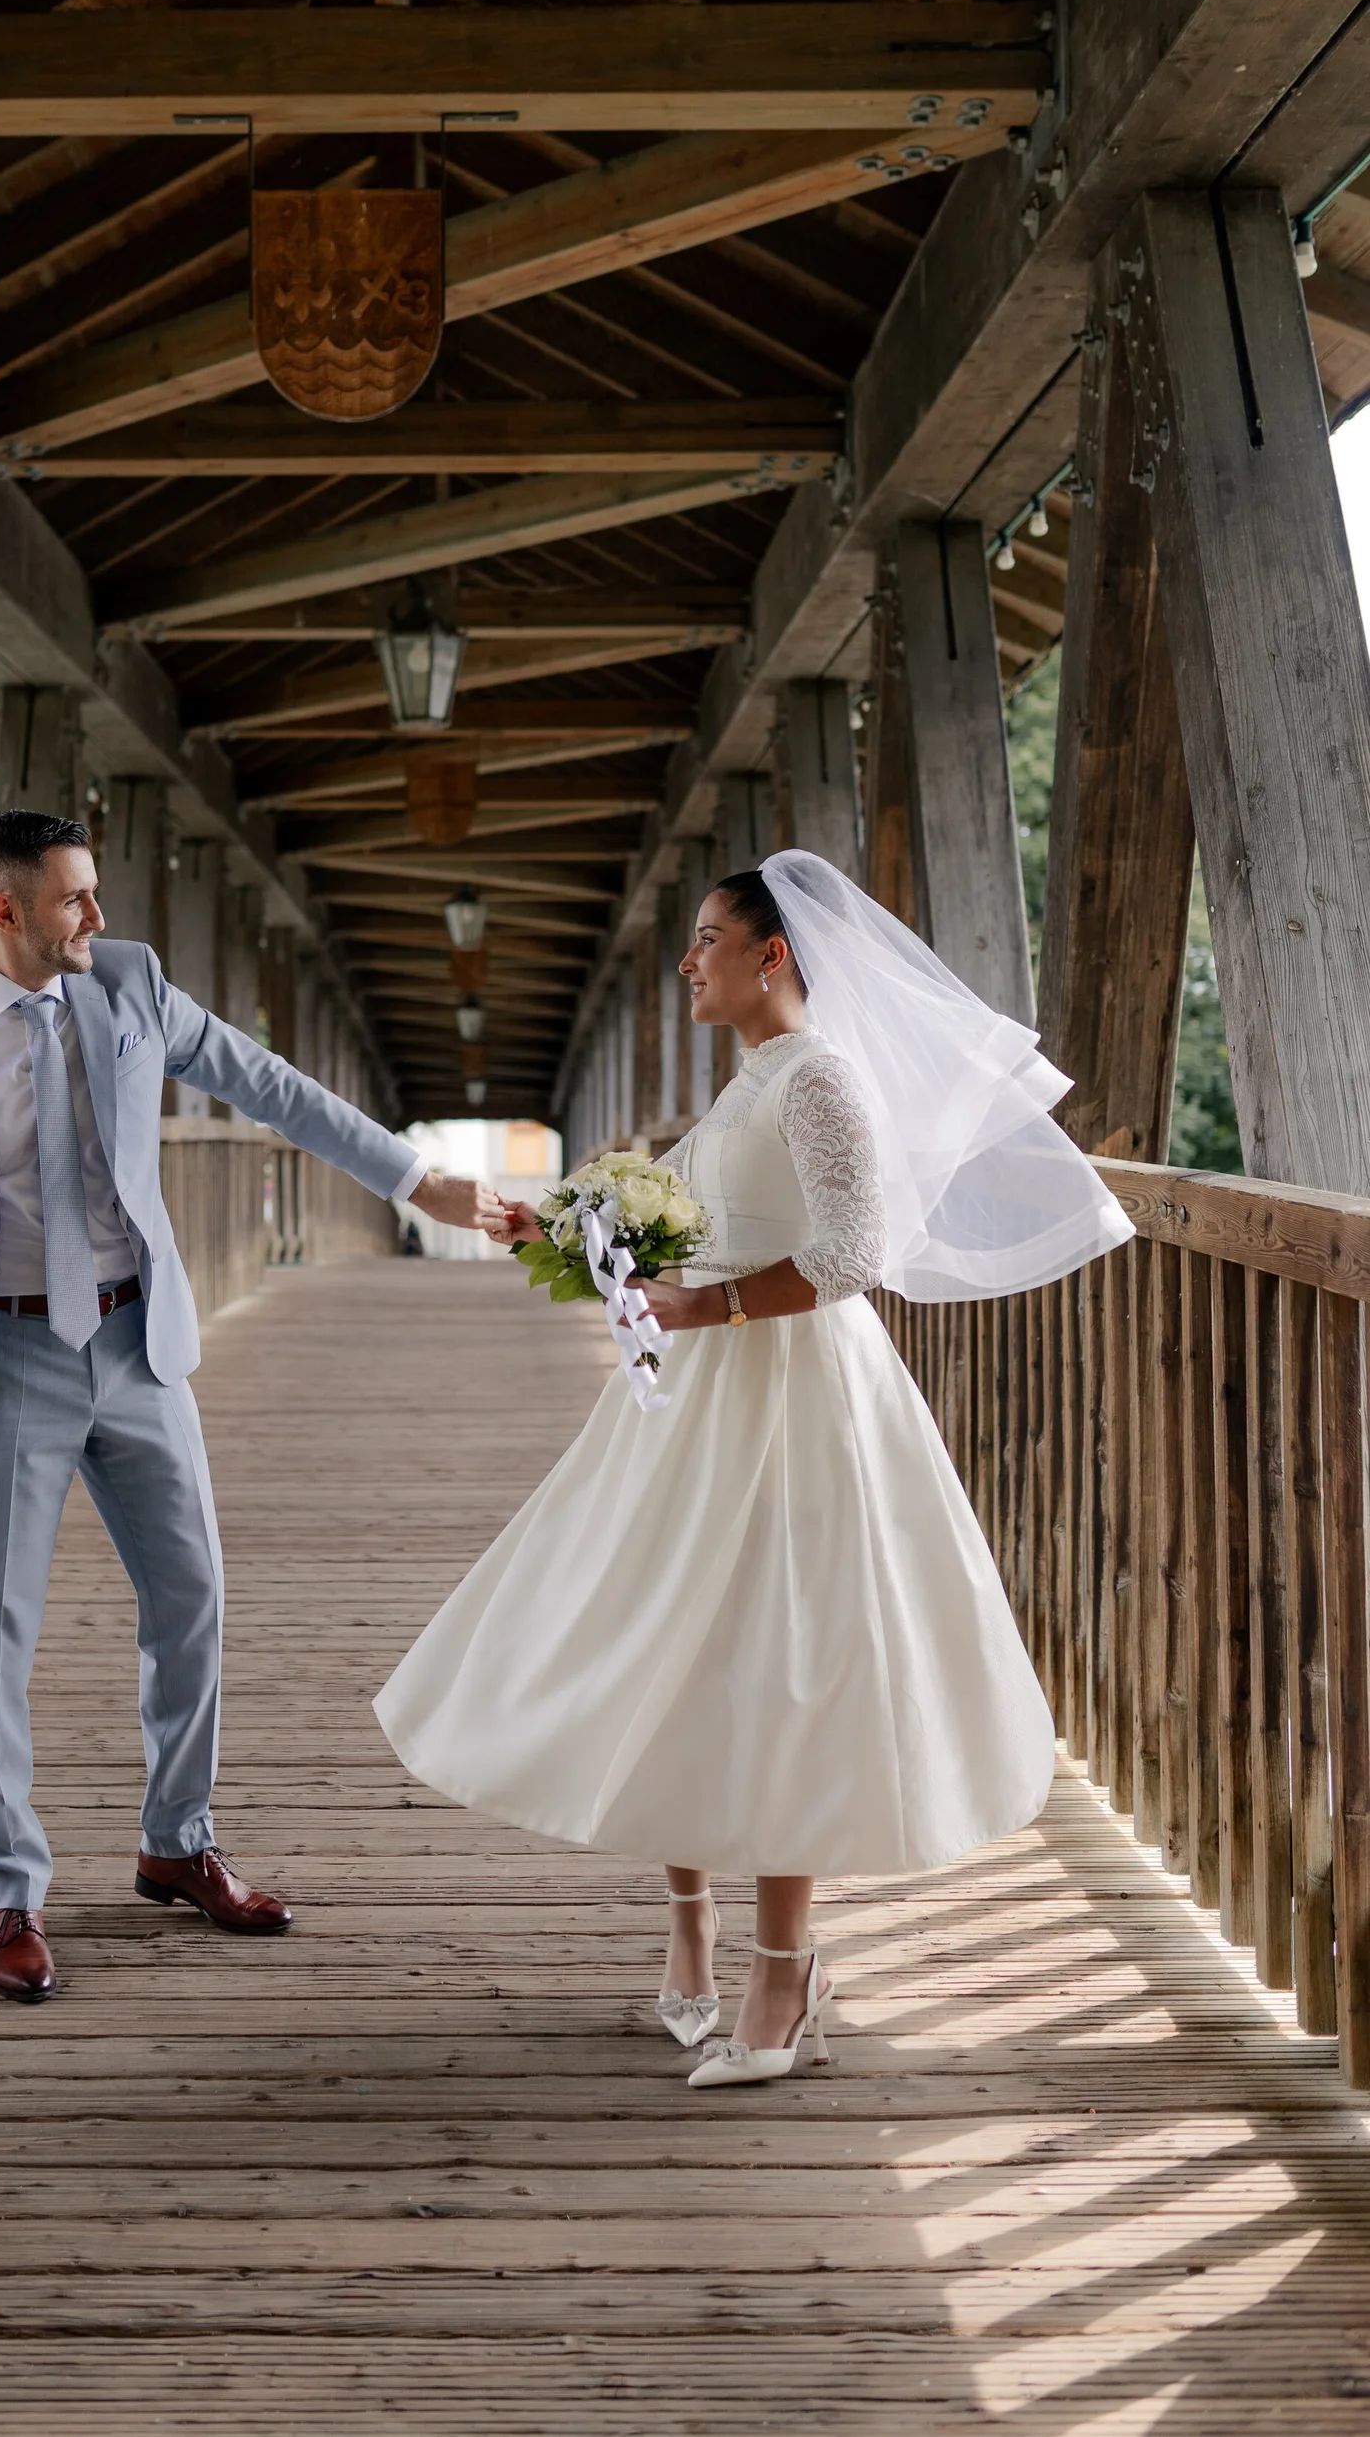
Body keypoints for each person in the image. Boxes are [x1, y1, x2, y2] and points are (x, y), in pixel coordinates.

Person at [374, 851, 1132, 2087]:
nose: (687, 960)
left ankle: (783, 1970)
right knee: (666, 1638)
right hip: (696, 1399)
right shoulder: (748, 1086)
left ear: (771, 956)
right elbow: (666, 1212)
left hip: (793, 1395)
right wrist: (544, 1220)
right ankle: (689, 1927)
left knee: (782, 1664)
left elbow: (847, 1256)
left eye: (707, 939)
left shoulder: (820, 1080)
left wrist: (699, 1312)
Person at [0, 808, 501, 2003]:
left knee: (192, 1598)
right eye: (75, 898)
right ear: (6, 911)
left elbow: (270, 1086)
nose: (97, 916)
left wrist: (414, 1177)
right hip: (4, 1358)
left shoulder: (129, 982)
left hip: (138, 1341)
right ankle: (9, 1893)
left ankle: (175, 1840)